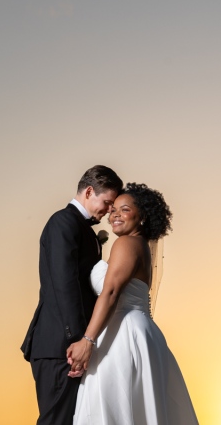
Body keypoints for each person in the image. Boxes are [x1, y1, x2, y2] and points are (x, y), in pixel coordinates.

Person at [67, 182, 198, 425]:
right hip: (138, 332)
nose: (115, 214)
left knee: (111, 407)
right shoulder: (140, 246)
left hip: (123, 335)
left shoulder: (126, 244)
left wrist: (87, 341)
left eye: (124, 209)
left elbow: (111, 292)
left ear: (142, 217)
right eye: (113, 209)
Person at [22, 165, 124, 425]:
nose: (109, 210)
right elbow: (64, 285)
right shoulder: (63, 222)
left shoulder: (83, 229)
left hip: (70, 344)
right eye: (107, 202)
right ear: (89, 191)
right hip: (61, 346)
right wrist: (79, 340)